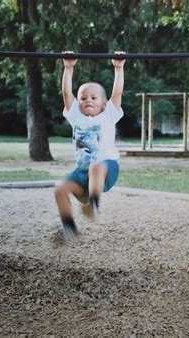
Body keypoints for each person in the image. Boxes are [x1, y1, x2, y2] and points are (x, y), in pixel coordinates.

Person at [55, 51, 125, 239]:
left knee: (96, 166)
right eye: (84, 98)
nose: (88, 101)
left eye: (94, 98)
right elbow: (67, 94)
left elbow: (117, 92)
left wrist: (119, 68)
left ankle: (93, 205)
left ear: (104, 103)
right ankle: (69, 227)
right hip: (82, 173)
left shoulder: (108, 116)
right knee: (60, 190)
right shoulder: (76, 117)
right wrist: (68, 68)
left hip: (107, 169)